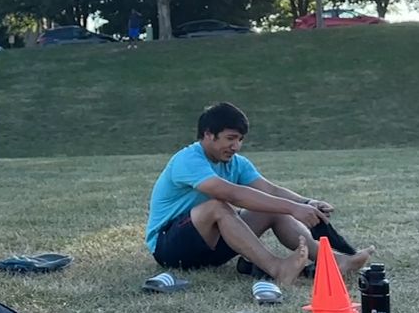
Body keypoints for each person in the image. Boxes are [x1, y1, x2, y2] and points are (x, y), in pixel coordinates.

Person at [145, 102, 374, 286]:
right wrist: (293, 208)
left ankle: (334, 262)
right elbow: (230, 193)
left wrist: (306, 202)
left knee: (272, 208)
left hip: (210, 250)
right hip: (170, 249)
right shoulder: (188, 160)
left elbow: (270, 190)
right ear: (208, 135)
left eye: (240, 140)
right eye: (230, 138)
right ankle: (277, 268)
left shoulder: (237, 163)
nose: (236, 146)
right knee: (217, 205)